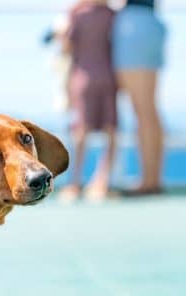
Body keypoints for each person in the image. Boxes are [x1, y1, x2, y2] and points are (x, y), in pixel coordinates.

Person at [59, 0, 118, 201]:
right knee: (111, 130)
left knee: (81, 131)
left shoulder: (78, 14)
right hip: (109, 78)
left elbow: (67, 46)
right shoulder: (113, 15)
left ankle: (74, 183)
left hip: (82, 78)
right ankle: (101, 182)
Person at [112, 0, 166, 195]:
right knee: (147, 109)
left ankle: (149, 182)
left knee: (144, 110)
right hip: (147, 23)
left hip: (134, 27)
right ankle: (152, 179)